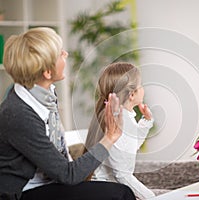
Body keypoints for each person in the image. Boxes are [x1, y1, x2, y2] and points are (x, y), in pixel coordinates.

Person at [0, 27, 136, 200]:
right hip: (23, 193)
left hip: (50, 182)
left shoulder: (42, 95)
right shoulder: (18, 114)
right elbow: (67, 175)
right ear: (47, 72)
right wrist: (109, 138)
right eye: (60, 54)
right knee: (120, 194)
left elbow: (62, 160)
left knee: (118, 190)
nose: (66, 54)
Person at [85, 62, 155, 200]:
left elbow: (130, 147)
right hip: (105, 194)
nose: (143, 89)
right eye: (141, 85)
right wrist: (152, 197)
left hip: (108, 189)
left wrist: (146, 122)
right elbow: (122, 174)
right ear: (132, 94)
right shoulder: (121, 121)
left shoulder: (122, 116)